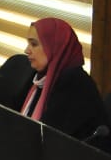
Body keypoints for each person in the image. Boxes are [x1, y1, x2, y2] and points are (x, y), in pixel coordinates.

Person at [20, 18, 110, 147]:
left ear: (54, 46)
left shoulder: (74, 82)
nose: (26, 50)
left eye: (34, 44)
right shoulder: (40, 77)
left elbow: (47, 138)